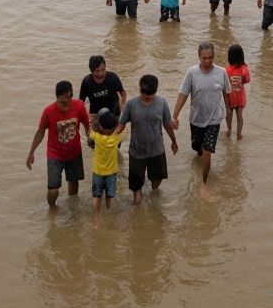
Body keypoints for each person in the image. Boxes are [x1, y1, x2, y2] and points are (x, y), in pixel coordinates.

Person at [172, 42, 232, 183]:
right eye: (204, 58)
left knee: (207, 149)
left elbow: (226, 94)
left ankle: (204, 182)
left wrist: (229, 115)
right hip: (196, 119)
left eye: (210, 57)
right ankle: (199, 152)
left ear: (214, 56)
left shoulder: (221, 72)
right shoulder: (192, 73)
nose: (207, 61)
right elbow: (183, 94)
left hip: (214, 119)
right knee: (197, 147)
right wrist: (175, 116)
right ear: (199, 57)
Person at [25, 80, 91, 207]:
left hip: (74, 152)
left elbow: (87, 125)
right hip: (55, 154)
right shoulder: (49, 111)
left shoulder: (79, 106)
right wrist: (31, 153)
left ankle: (73, 210)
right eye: (66, 98)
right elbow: (40, 132)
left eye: (71, 96)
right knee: (53, 189)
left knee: (74, 184)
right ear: (58, 97)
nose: (69, 101)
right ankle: (52, 210)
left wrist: (89, 137)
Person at [116, 74, 179, 204]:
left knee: (157, 181)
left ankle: (152, 201)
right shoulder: (131, 105)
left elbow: (167, 124)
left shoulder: (162, 103)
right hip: (136, 152)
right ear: (140, 88)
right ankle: (137, 209)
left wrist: (174, 141)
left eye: (151, 94)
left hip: (157, 150)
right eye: (145, 94)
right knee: (136, 189)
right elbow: (121, 125)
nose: (148, 97)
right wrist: (109, 137)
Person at [87, 112, 123, 211]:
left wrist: (93, 123)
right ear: (113, 128)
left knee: (96, 196)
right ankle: (108, 210)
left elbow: (90, 134)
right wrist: (116, 129)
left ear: (100, 126)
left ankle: (96, 216)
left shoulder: (96, 136)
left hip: (97, 172)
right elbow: (118, 133)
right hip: (111, 173)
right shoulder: (115, 138)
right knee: (108, 196)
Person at [79, 55, 126, 121]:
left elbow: (123, 93)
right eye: (97, 71)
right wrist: (87, 115)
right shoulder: (87, 82)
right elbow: (81, 102)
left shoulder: (112, 77)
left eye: (103, 70)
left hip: (114, 114)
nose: (100, 73)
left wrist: (121, 107)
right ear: (91, 71)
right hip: (95, 116)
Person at [224, 44, 251, 140]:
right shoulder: (244, 69)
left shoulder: (227, 69)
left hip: (230, 97)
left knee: (228, 114)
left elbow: (225, 83)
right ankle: (239, 134)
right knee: (239, 116)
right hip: (240, 97)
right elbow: (247, 80)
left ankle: (229, 130)